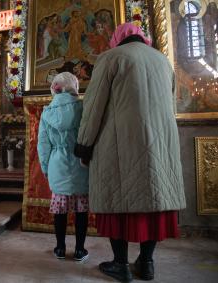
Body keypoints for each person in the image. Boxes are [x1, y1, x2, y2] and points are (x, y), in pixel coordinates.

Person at [75, 23, 186, 282]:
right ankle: (146, 263)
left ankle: (120, 264)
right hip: (160, 143)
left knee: (119, 202)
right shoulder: (162, 60)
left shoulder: (110, 58)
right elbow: (171, 105)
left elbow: (93, 108)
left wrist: (84, 146)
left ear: (117, 38)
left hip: (119, 143)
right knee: (154, 201)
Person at [37, 72, 89, 262]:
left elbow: (43, 144)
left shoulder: (47, 112)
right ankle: (79, 250)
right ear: (74, 87)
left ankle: (60, 248)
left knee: (60, 210)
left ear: (55, 88)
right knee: (81, 210)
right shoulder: (84, 108)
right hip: (81, 163)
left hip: (57, 163)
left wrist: (45, 167)